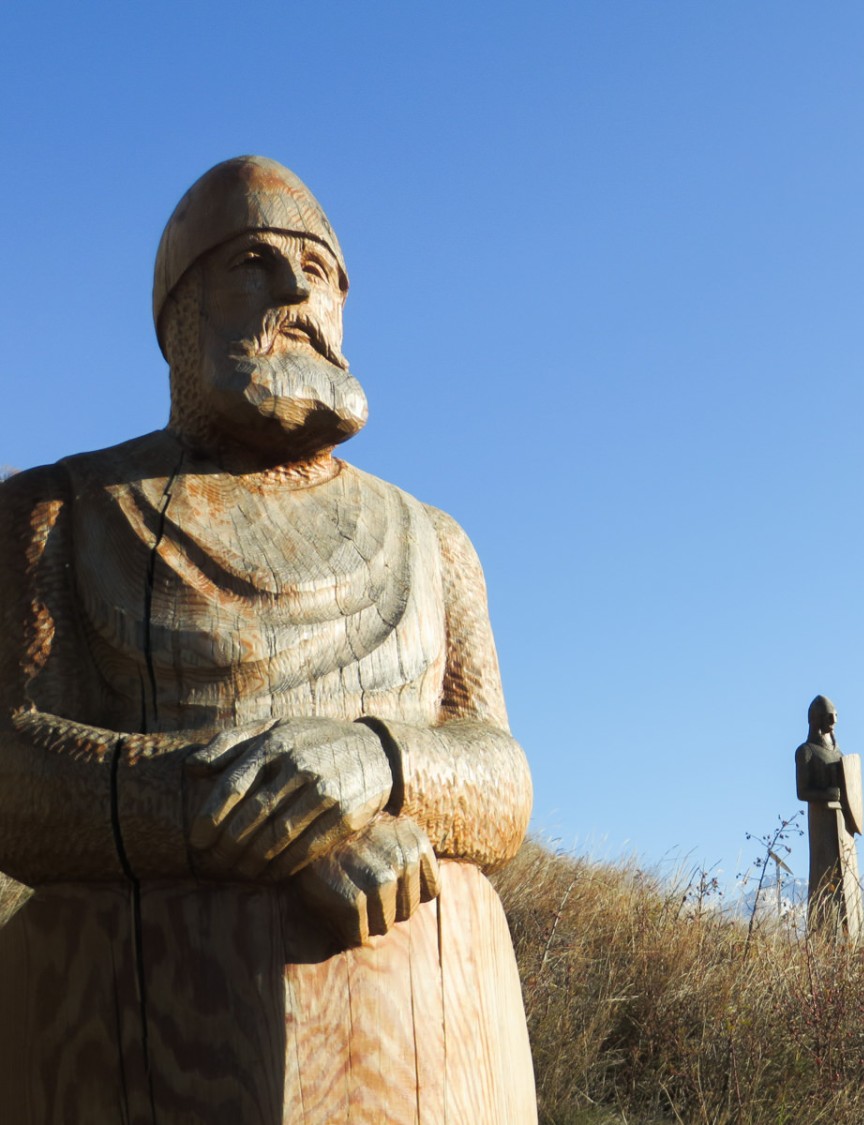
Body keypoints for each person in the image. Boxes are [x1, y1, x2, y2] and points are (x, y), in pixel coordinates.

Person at [0, 156, 535, 1123]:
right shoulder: (59, 512)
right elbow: (16, 770)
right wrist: (257, 814)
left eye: (323, 271)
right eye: (255, 260)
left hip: (423, 1038)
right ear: (178, 314)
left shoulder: (434, 540)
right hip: (137, 1030)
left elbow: (499, 773)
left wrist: (377, 763)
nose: (299, 290)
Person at [794, 694, 864, 942]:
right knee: (826, 882)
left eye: (835, 716)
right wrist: (825, 793)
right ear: (816, 719)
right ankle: (825, 937)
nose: (833, 721)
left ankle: (854, 938)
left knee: (848, 883)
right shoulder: (806, 752)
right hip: (823, 826)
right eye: (828, 716)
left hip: (844, 825)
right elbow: (802, 792)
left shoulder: (839, 753)